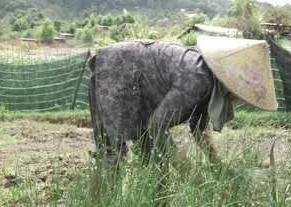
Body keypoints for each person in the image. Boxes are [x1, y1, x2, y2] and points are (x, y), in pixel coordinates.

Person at [88, 36, 277, 165]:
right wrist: (184, 166)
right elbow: (156, 125)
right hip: (119, 72)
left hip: (139, 87)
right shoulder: (197, 78)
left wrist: (217, 165)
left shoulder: (210, 86)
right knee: (112, 158)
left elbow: (198, 129)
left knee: (155, 162)